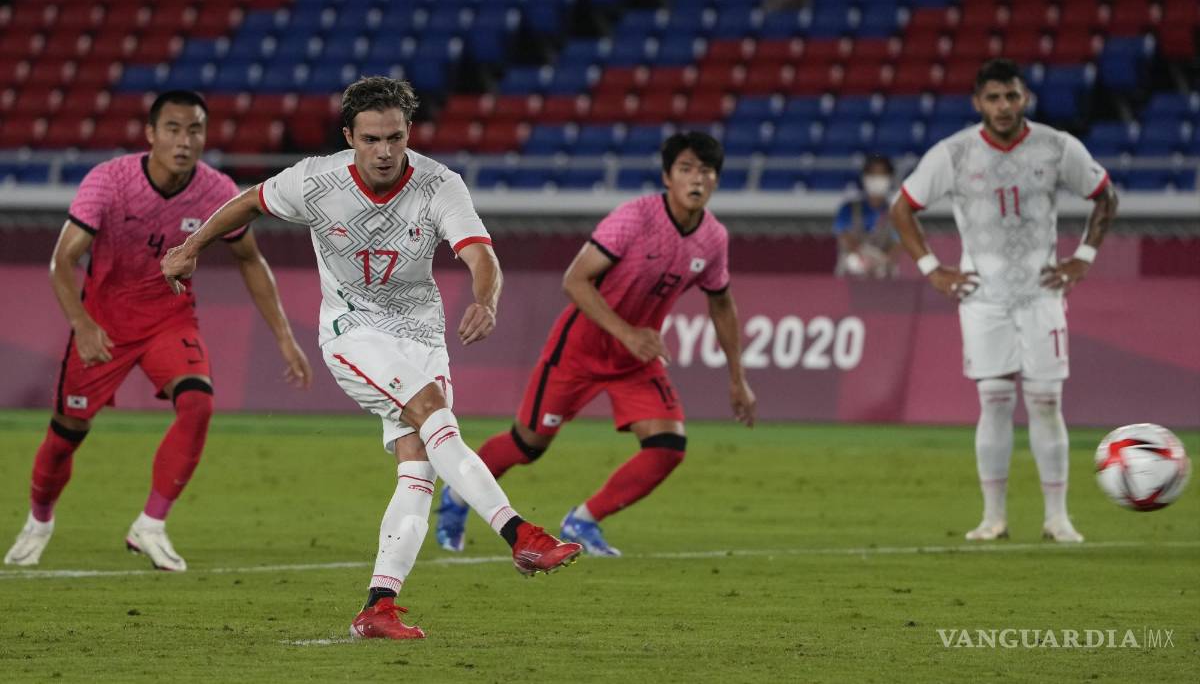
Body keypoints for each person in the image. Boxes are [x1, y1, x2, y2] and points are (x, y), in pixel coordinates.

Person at [159, 76, 581, 641]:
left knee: (418, 466)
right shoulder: (316, 179)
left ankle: (377, 607)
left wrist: (485, 299)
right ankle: (521, 535)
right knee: (435, 415)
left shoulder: (438, 184)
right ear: (349, 137)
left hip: (421, 333)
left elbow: (481, 255)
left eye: (395, 138)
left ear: (409, 134)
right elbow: (248, 203)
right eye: (372, 139)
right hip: (351, 330)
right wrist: (191, 248)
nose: (385, 151)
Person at [4, 90, 312, 571]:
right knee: (66, 435)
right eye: (173, 128)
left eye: (195, 130)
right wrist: (82, 325)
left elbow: (250, 258)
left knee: (197, 403)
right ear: (150, 134)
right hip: (104, 325)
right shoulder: (109, 182)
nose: (185, 140)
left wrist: (285, 337)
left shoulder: (216, 191)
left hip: (169, 320)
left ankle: (150, 525)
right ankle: (39, 520)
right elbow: (62, 261)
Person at [436, 131, 757, 557]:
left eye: (705, 171)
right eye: (686, 169)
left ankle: (583, 520)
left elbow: (722, 304)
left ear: (716, 181)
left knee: (667, 447)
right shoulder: (634, 219)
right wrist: (627, 333)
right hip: (580, 349)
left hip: (635, 359)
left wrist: (738, 378)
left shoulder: (713, 239)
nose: (696, 179)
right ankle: (457, 498)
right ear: (667, 177)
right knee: (527, 445)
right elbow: (575, 280)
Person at [889, 58, 1118, 544]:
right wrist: (933, 269)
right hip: (983, 296)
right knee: (993, 403)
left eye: (1011, 96)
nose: (1003, 106)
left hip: (1041, 292)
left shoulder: (1056, 147)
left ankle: (1057, 518)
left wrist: (1084, 257)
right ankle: (993, 518)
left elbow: (1105, 196)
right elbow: (902, 207)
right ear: (978, 103)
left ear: (1024, 99)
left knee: (1045, 402)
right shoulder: (954, 153)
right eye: (993, 98)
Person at [834, 154, 900, 278]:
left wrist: (882, 261)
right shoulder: (848, 209)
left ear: (890, 177)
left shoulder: (896, 212)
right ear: (864, 177)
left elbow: (899, 243)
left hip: (883, 276)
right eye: (873, 174)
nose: (877, 178)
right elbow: (843, 235)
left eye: (882, 174)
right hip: (851, 275)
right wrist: (864, 256)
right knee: (853, 263)